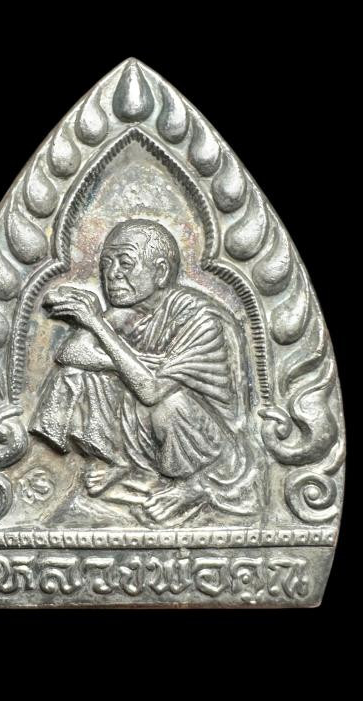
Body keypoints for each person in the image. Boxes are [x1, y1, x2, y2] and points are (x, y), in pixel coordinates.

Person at [29, 219, 265, 524]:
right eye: (106, 263)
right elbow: (70, 354)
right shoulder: (130, 311)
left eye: (125, 263)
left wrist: (97, 324)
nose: (112, 274)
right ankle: (122, 462)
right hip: (148, 429)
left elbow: (151, 391)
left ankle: (190, 486)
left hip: (211, 448)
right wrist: (114, 349)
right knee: (76, 374)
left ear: (161, 272)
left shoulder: (200, 317)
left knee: (167, 401)